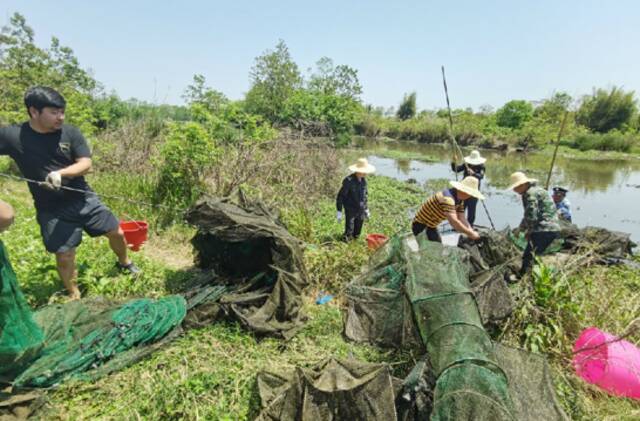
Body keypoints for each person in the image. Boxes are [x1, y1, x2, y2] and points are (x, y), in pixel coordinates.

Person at [0, 86, 140, 300]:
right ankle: (74, 295)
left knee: (117, 233)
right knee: (65, 255)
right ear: (34, 112)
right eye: (54, 112)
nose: (61, 117)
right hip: (51, 209)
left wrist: (60, 174)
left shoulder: (70, 132)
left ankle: (124, 262)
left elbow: (86, 164)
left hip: (84, 197)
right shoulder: (13, 136)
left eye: (62, 112)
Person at [508, 172, 560, 276]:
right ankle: (529, 276)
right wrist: (528, 231)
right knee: (532, 253)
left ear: (522, 185)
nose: (514, 190)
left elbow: (531, 216)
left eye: (515, 187)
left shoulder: (530, 194)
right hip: (550, 229)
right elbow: (530, 216)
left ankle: (524, 278)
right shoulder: (538, 190)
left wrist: (522, 230)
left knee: (529, 255)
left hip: (544, 229)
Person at [412, 176, 483, 243]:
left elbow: (462, 218)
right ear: (465, 192)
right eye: (471, 194)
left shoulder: (460, 200)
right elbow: (454, 222)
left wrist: (471, 231)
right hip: (421, 226)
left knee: (438, 249)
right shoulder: (448, 199)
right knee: (428, 252)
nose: (470, 196)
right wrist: (470, 233)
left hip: (431, 226)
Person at [336, 158, 375, 241]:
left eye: (365, 171)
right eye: (363, 171)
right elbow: (341, 196)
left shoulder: (363, 181)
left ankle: (353, 244)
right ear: (357, 170)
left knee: (357, 233)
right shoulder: (348, 181)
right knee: (349, 231)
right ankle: (345, 244)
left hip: (360, 209)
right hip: (351, 209)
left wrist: (366, 209)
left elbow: (364, 196)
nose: (365, 173)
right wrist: (339, 210)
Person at [451, 150, 486, 227]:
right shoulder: (467, 164)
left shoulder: (481, 166)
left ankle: (470, 226)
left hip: (473, 192)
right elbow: (456, 170)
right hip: (463, 190)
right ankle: (458, 225)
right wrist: (454, 161)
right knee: (461, 208)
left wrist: (473, 173)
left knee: (472, 210)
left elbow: (481, 176)